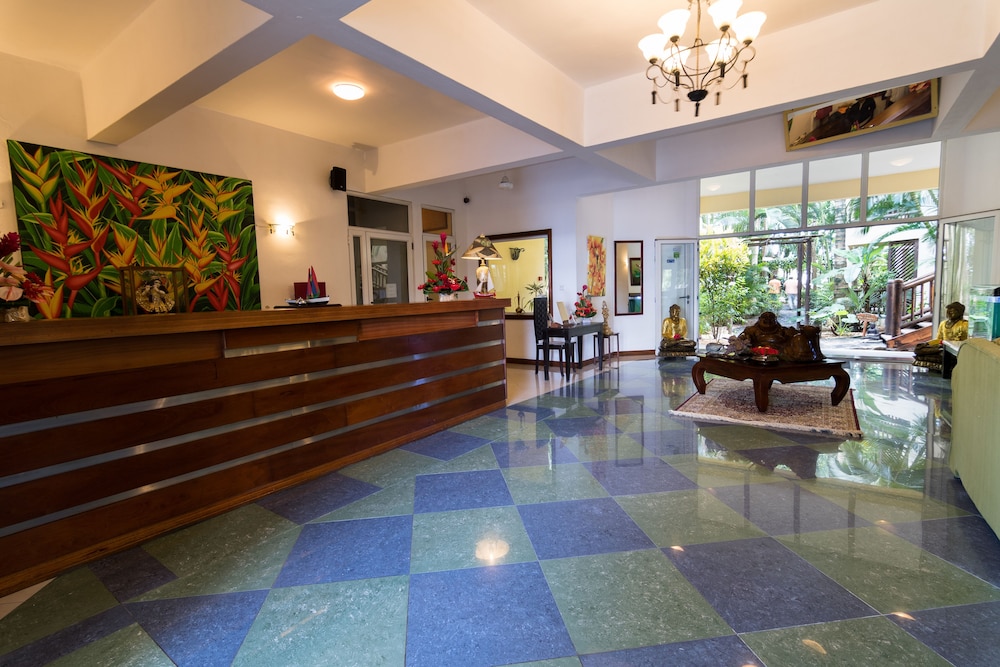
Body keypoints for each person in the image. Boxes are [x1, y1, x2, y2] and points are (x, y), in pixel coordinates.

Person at [914, 301, 968, 366]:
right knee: (918, 349)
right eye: (948, 312)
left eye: (951, 312)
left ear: (959, 313)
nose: (949, 314)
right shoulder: (943, 323)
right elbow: (939, 339)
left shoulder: (963, 324)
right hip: (941, 347)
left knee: (944, 353)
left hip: (953, 349)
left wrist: (947, 346)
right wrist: (927, 343)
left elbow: (962, 342)